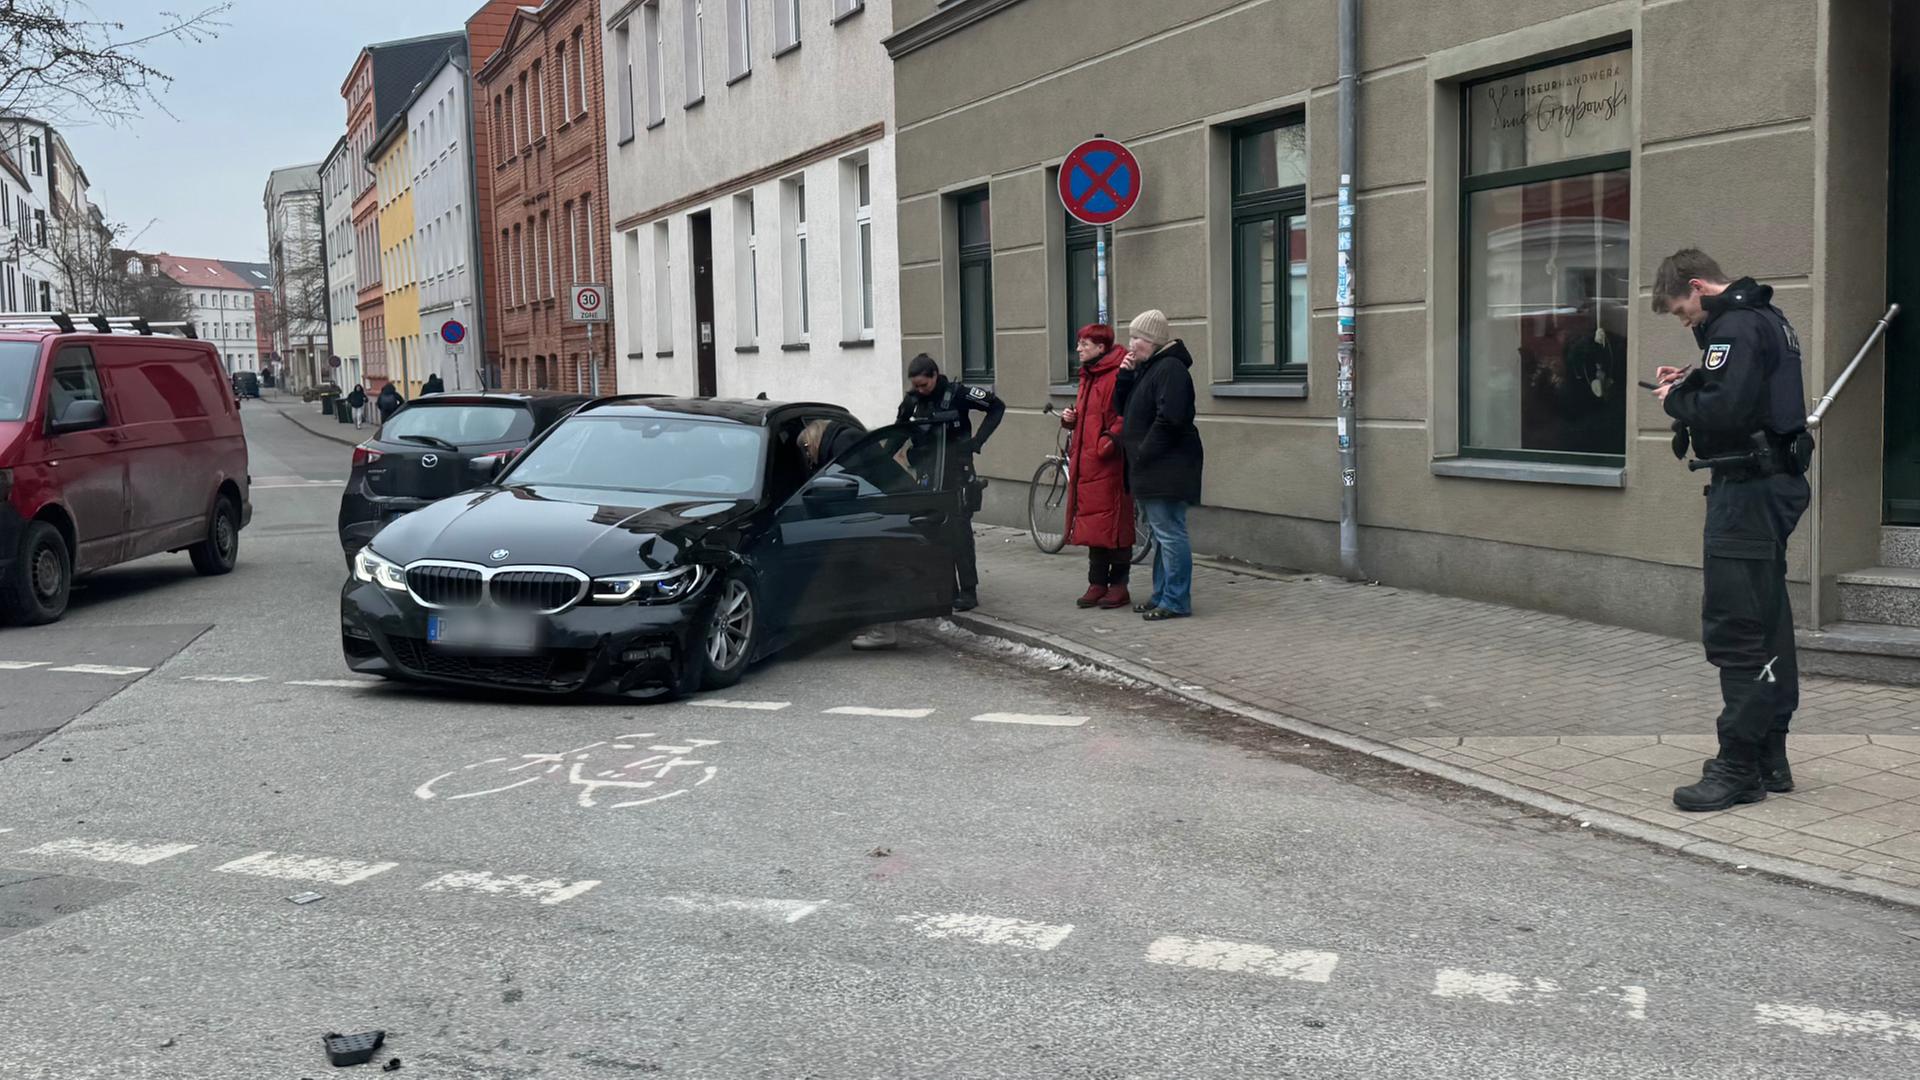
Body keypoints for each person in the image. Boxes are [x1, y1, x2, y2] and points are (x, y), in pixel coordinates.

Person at [1651, 249, 1812, 812]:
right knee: (1767, 620)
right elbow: (1749, 391)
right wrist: (1696, 375)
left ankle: (1738, 766)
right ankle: (1771, 754)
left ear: (1699, 286)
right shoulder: (1765, 318)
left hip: (1746, 491)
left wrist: (1679, 398)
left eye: (1681, 310)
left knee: (1737, 628)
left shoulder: (1737, 325)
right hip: (1772, 485)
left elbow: (1726, 410)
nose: (1685, 321)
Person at [896, 353, 1004, 613]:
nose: (920, 390)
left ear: (934, 375)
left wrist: (977, 442)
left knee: (960, 534)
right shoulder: (911, 401)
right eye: (916, 386)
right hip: (928, 475)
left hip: (956, 472)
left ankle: (968, 591)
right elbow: (899, 430)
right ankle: (947, 589)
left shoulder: (958, 393)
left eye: (924, 384)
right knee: (934, 533)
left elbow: (996, 407)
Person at [1115, 310, 1203, 621]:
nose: (1131, 344)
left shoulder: (1170, 369)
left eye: (1136, 337)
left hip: (1167, 466)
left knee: (1170, 533)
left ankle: (1176, 600)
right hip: (1154, 465)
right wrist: (1125, 376)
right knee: (1162, 533)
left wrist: (1143, 453)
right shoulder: (1148, 369)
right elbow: (1121, 409)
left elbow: (1171, 419)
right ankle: (1162, 595)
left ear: (1151, 340)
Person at [1059, 324, 1135, 610]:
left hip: (1109, 463)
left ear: (1101, 348)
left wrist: (1109, 440)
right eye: (1079, 343)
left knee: (1113, 525)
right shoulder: (1088, 376)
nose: (1079, 348)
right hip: (1087, 463)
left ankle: (1119, 586)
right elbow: (1088, 416)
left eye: (1084, 344)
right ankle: (1097, 583)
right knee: (1093, 525)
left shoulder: (1117, 375)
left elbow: (1125, 414)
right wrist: (1071, 418)